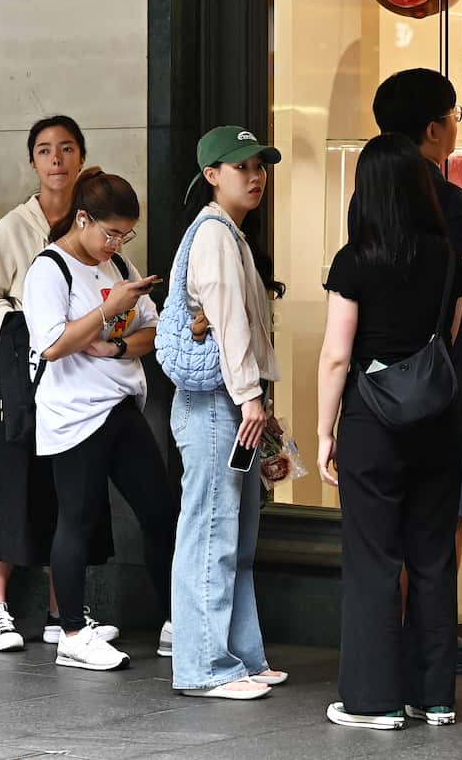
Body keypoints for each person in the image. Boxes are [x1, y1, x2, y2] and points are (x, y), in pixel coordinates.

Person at [318, 134, 462, 729]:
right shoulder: (447, 257)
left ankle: (374, 700)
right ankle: (435, 697)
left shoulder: (356, 259)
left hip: (372, 422)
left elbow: (336, 354)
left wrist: (326, 429)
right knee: (433, 555)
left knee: (374, 558)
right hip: (438, 419)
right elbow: (446, 339)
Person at [372, 68, 462, 674]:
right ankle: (429, 640)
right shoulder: (446, 197)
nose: (457, 125)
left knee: (403, 520)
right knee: (442, 519)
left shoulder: (374, 196)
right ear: (435, 129)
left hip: (386, 382)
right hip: (449, 380)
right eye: (455, 114)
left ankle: (407, 639)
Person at [21, 168, 177, 671]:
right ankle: (70, 631)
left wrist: (110, 345)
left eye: (125, 234)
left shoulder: (119, 265)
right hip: (72, 414)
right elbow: (51, 343)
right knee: (78, 518)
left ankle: (177, 620)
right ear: (82, 219)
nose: (116, 243)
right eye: (110, 233)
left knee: (159, 510)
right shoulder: (50, 268)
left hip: (120, 404)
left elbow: (153, 332)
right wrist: (109, 311)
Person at [0, 117, 118, 652]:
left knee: (72, 487)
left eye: (66, 149)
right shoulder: (16, 226)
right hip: (28, 370)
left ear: (81, 156)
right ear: (32, 162)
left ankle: (66, 607)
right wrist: (31, 331)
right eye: (44, 150)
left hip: (83, 377)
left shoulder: (98, 220)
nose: (56, 159)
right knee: (11, 476)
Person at [166, 126, 287, 700]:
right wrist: (250, 396)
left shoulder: (229, 234)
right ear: (212, 175)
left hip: (231, 401)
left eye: (260, 164)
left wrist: (258, 399)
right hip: (218, 401)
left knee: (231, 534)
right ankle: (204, 665)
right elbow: (230, 325)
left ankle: (238, 656)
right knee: (211, 530)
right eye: (241, 166)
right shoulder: (214, 234)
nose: (255, 174)